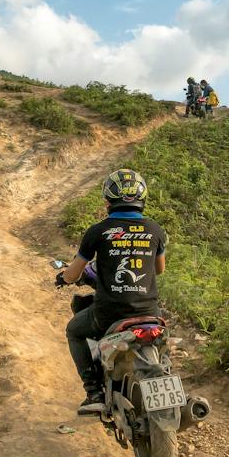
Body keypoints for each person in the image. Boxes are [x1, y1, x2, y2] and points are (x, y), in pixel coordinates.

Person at [55, 168, 167, 415]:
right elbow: (159, 269)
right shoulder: (156, 230)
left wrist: (63, 277)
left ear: (107, 199)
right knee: (162, 341)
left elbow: (74, 274)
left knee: (74, 330)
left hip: (110, 313)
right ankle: (165, 374)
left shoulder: (98, 231)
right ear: (143, 198)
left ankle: (93, 391)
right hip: (150, 312)